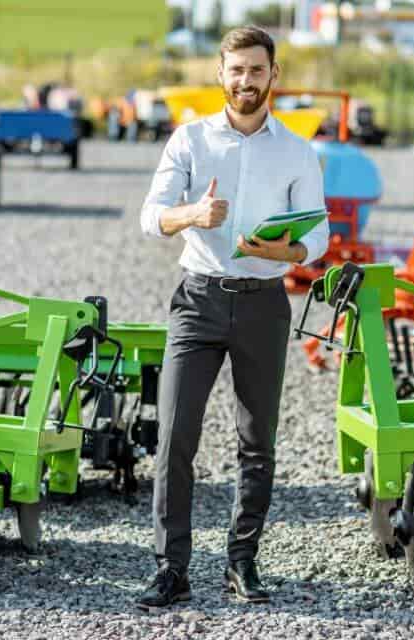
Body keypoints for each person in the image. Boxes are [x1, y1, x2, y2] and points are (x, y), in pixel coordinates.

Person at [136, 25, 328, 610]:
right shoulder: (189, 140)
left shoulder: (297, 149)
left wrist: (288, 252)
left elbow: (317, 235)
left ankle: (242, 563)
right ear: (220, 74)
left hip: (266, 303)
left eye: (257, 69)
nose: (246, 80)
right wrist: (194, 212)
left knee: (256, 441)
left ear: (275, 76)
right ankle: (172, 568)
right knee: (174, 437)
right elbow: (151, 218)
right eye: (236, 69)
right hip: (198, 300)